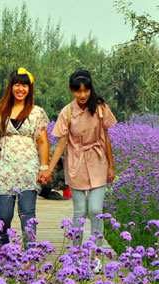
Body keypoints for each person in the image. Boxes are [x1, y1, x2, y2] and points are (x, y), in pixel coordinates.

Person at [40, 69, 117, 247]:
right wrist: (48, 170)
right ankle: (76, 254)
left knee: (96, 209)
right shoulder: (67, 112)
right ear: (71, 90)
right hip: (75, 163)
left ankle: (98, 253)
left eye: (86, 90)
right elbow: (60, 144)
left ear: (91, 89)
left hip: (98, 161)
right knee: (79, 212)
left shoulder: (100, 108)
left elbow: (106, 138)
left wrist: (111, 167)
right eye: (78, 91)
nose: (82, 95)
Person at [0, 67, 50, 248]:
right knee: (4, 215)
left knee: (27, 213)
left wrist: (44, 168)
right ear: (11, 87)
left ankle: (29, 255)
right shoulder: (0, 109)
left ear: (30, 89)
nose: (21, 89)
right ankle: (4, 252)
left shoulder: (37, 112)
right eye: (17, 84)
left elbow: (43, 142)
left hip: (28, 168)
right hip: (4, 167)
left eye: (25, 85)